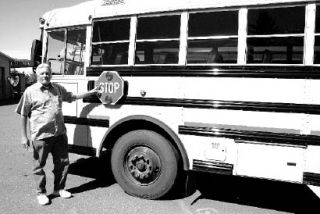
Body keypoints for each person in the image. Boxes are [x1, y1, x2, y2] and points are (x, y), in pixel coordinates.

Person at [15, 63, 100, 205]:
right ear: (37, 75)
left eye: (47, 73)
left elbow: (72, 96)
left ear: (51, 75)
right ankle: (41, 193)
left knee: (62, 163)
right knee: (38, 165)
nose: (45, 76)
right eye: (42, 73)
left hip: (59, 134)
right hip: (41, 136)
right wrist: (24, 136)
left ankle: (59, 189)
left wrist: (91, 93)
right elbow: (23, 114)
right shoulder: (30, 91)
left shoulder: (58, 88)